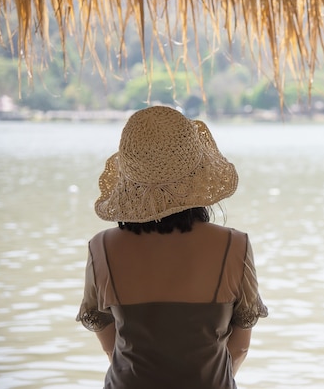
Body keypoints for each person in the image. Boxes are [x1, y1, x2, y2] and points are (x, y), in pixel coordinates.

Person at [76, 106, 268, 388]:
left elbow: (108, 341)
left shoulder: (102, 247)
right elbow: (239, 347)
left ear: (129, 181)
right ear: (198, 175)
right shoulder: (233, 245)